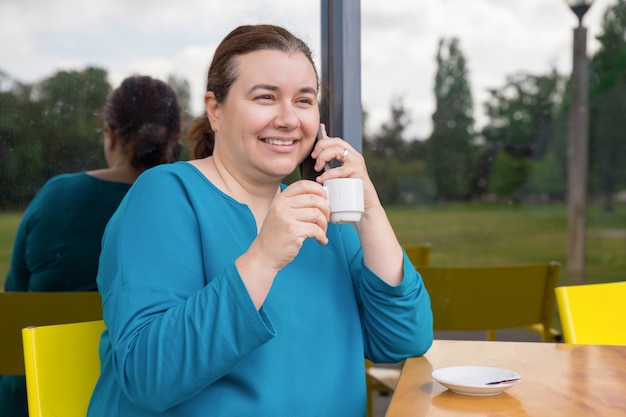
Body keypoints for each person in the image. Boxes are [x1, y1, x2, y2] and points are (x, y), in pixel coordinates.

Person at [87, 24, 433, 417]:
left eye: (304, 100)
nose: (288, 119)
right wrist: (264, 257)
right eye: (266, 97)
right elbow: (148, 376)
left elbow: (403, 340)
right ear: (216, 110)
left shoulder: (322, 213)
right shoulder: (165, 196)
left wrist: (370, 211)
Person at [0, 75, 182, 417]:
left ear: (110, 133)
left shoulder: (57, 197)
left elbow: (14, 305)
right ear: (175, 138)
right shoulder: (186, 203)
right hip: (145, 403)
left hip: (37, 399)